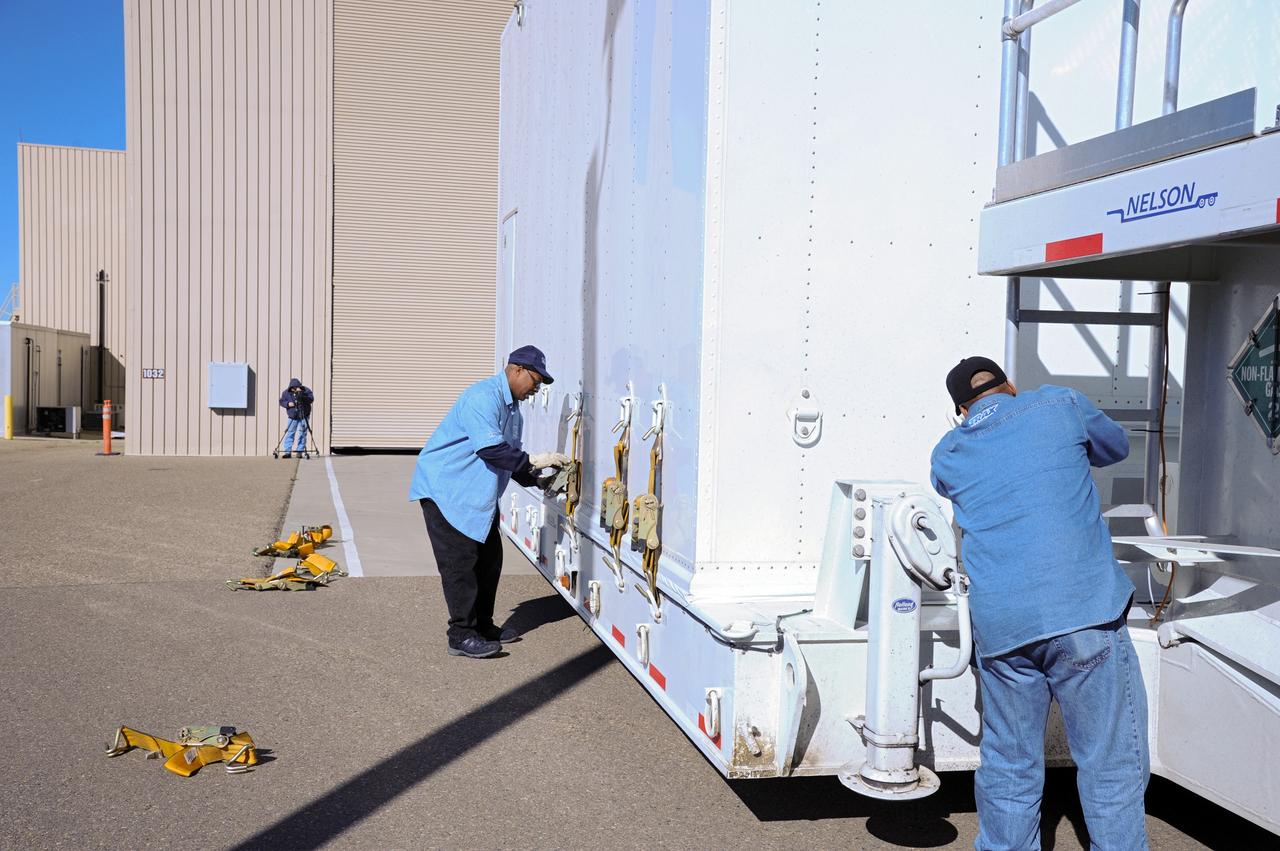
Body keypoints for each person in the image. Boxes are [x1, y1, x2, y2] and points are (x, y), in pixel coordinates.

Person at [929, 356, 1149, 851]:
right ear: (1009, 385)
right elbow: (1114, 447)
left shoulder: (948, 450)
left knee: (1009, 765)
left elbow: (946, 487)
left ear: (960, 409)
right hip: (1084, 614)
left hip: (1003, 629)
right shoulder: (1058, 403)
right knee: (1110, 764)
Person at [410, 345, 570, 659]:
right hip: (448, 492)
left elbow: (510, 459)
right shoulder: (483, 398)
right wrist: (534, 461)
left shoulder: (513, 411)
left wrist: (538, 480)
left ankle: (482, 625)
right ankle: (461, 634)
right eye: (535, 381)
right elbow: (491, 450)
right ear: (517, 370)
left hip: (475, 496)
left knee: (489, 561)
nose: (535, 390)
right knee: (460, 565)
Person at [278, 378, 314, 459]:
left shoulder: (306, 390)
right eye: (293, 388)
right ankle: (287, 451)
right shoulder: (286, 392)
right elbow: (281, 401)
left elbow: (311, 399)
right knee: (290, 432)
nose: (294, 389)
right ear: (290, 387)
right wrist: (287, 404)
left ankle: (299, 451)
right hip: (292, 416)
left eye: (296, 387)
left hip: (304, 415)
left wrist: (301, 394)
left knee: (302, 433)